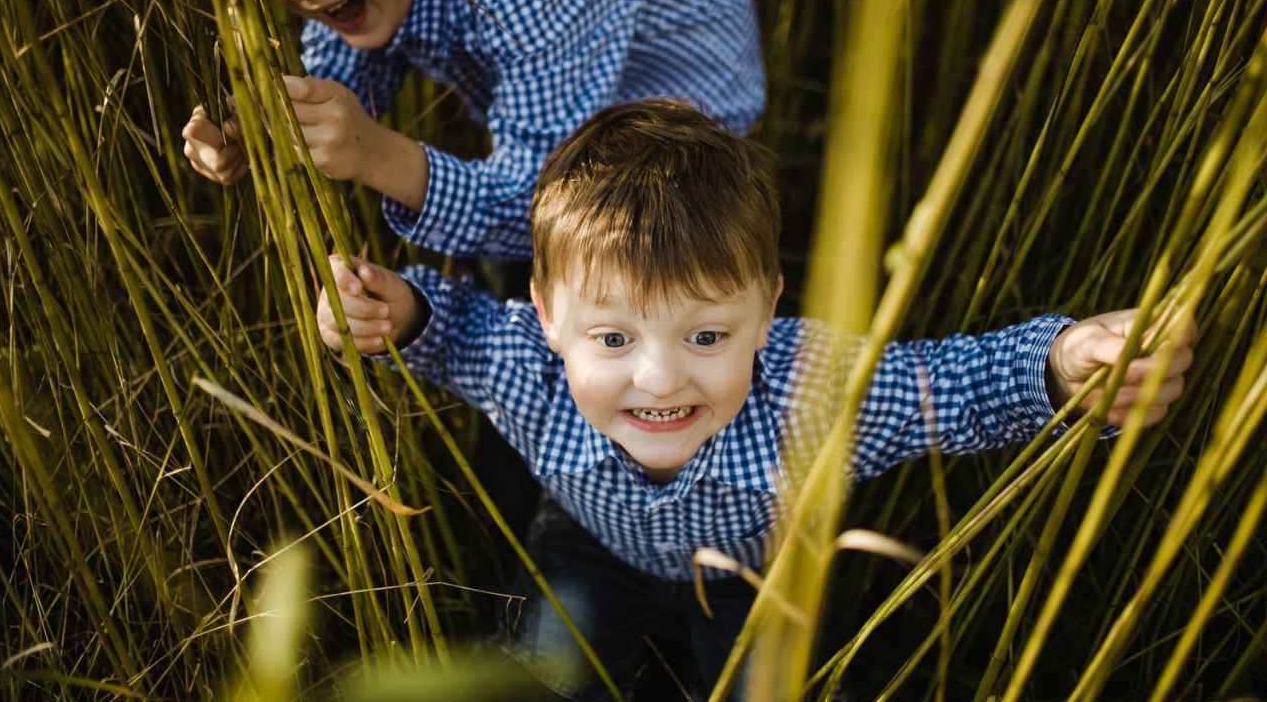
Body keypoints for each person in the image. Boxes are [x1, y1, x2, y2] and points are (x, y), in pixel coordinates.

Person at [314, 99, 1195, 700]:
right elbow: (453, 328)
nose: (659, 379)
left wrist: (1064, 362)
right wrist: (396, 310)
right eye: (614, 338)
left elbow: (951, 386)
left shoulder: (811, 390)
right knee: (534, 677)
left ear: (769, 306)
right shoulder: (525, 362)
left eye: (705, 336)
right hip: (595, 542)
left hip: (760, 565)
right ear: (547, 317)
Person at [182, 0, 764, 262]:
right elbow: (346, 75)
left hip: (689, 163)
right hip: (567, 105)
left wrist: (374, 153)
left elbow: (545, 208)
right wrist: (263, 129)